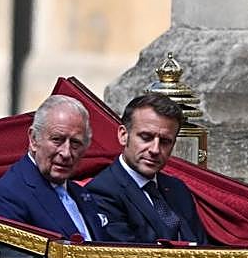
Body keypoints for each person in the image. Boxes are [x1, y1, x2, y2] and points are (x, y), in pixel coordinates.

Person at [86, 93, 208, 244]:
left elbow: (202, 247)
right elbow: (126, 257)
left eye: (165, 141)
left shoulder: (178, 189)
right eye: (146, 137)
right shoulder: (103, 192)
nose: (155, 150)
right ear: (123, 135)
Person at [0, 95, 105, 240]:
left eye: (75, 143)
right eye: (57, 140)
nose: (66, 153)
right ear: (34, 139)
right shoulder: (6, 197)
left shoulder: (81, 194)